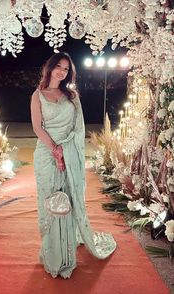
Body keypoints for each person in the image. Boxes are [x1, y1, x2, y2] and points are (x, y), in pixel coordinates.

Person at [31, 52, 116, 279]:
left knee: (67, 204)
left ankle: (66, 257)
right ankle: (52, 255)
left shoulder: (72, 95)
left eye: (66, 69)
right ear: (49, 68)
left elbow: (79, 130)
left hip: (70, 155)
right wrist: (54, 150)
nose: (61, 71)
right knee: (51, 204)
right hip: (46, 156)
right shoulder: (38, 95)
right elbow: (38, 128)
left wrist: (65, 151)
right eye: (58, 66)